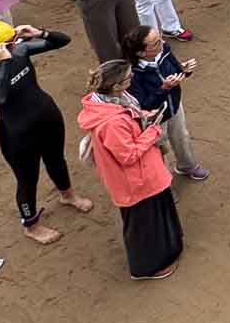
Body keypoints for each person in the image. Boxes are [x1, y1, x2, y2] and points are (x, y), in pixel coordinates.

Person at [0, 22, 94, 242]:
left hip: (48, 117)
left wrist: (41, 33)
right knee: (28, 179)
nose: (15, 44)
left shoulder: (19, 50)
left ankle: (68, 195)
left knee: (56, 160)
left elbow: (62, 41)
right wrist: (5, 62)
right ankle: (31, 225)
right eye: (9, 42)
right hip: (19, 134)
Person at [76, 59, 184, 281]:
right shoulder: (111, 122)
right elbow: (127, 155)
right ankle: (146, 268)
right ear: (116, 86)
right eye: (128, 78)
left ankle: (168, 250)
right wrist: (152, 131)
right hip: (135, 181)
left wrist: (144, 117)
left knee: (155, 217)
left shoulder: (117, 101)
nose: (132, 79)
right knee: (143, 226)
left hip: (145, 174)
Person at [121, 23, 206, 181]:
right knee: (159, 149)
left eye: (159, 38)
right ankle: (164, 183)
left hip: (174, 105)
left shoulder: (164, 50)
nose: (162, 42)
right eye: (156, 42)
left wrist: (183, 70)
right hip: (155, 118)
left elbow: (175, 69)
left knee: (181, 136)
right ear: (141, 52)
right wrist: (164, 88)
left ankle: (187, 166)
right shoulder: (133, 74)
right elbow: (144, 104)